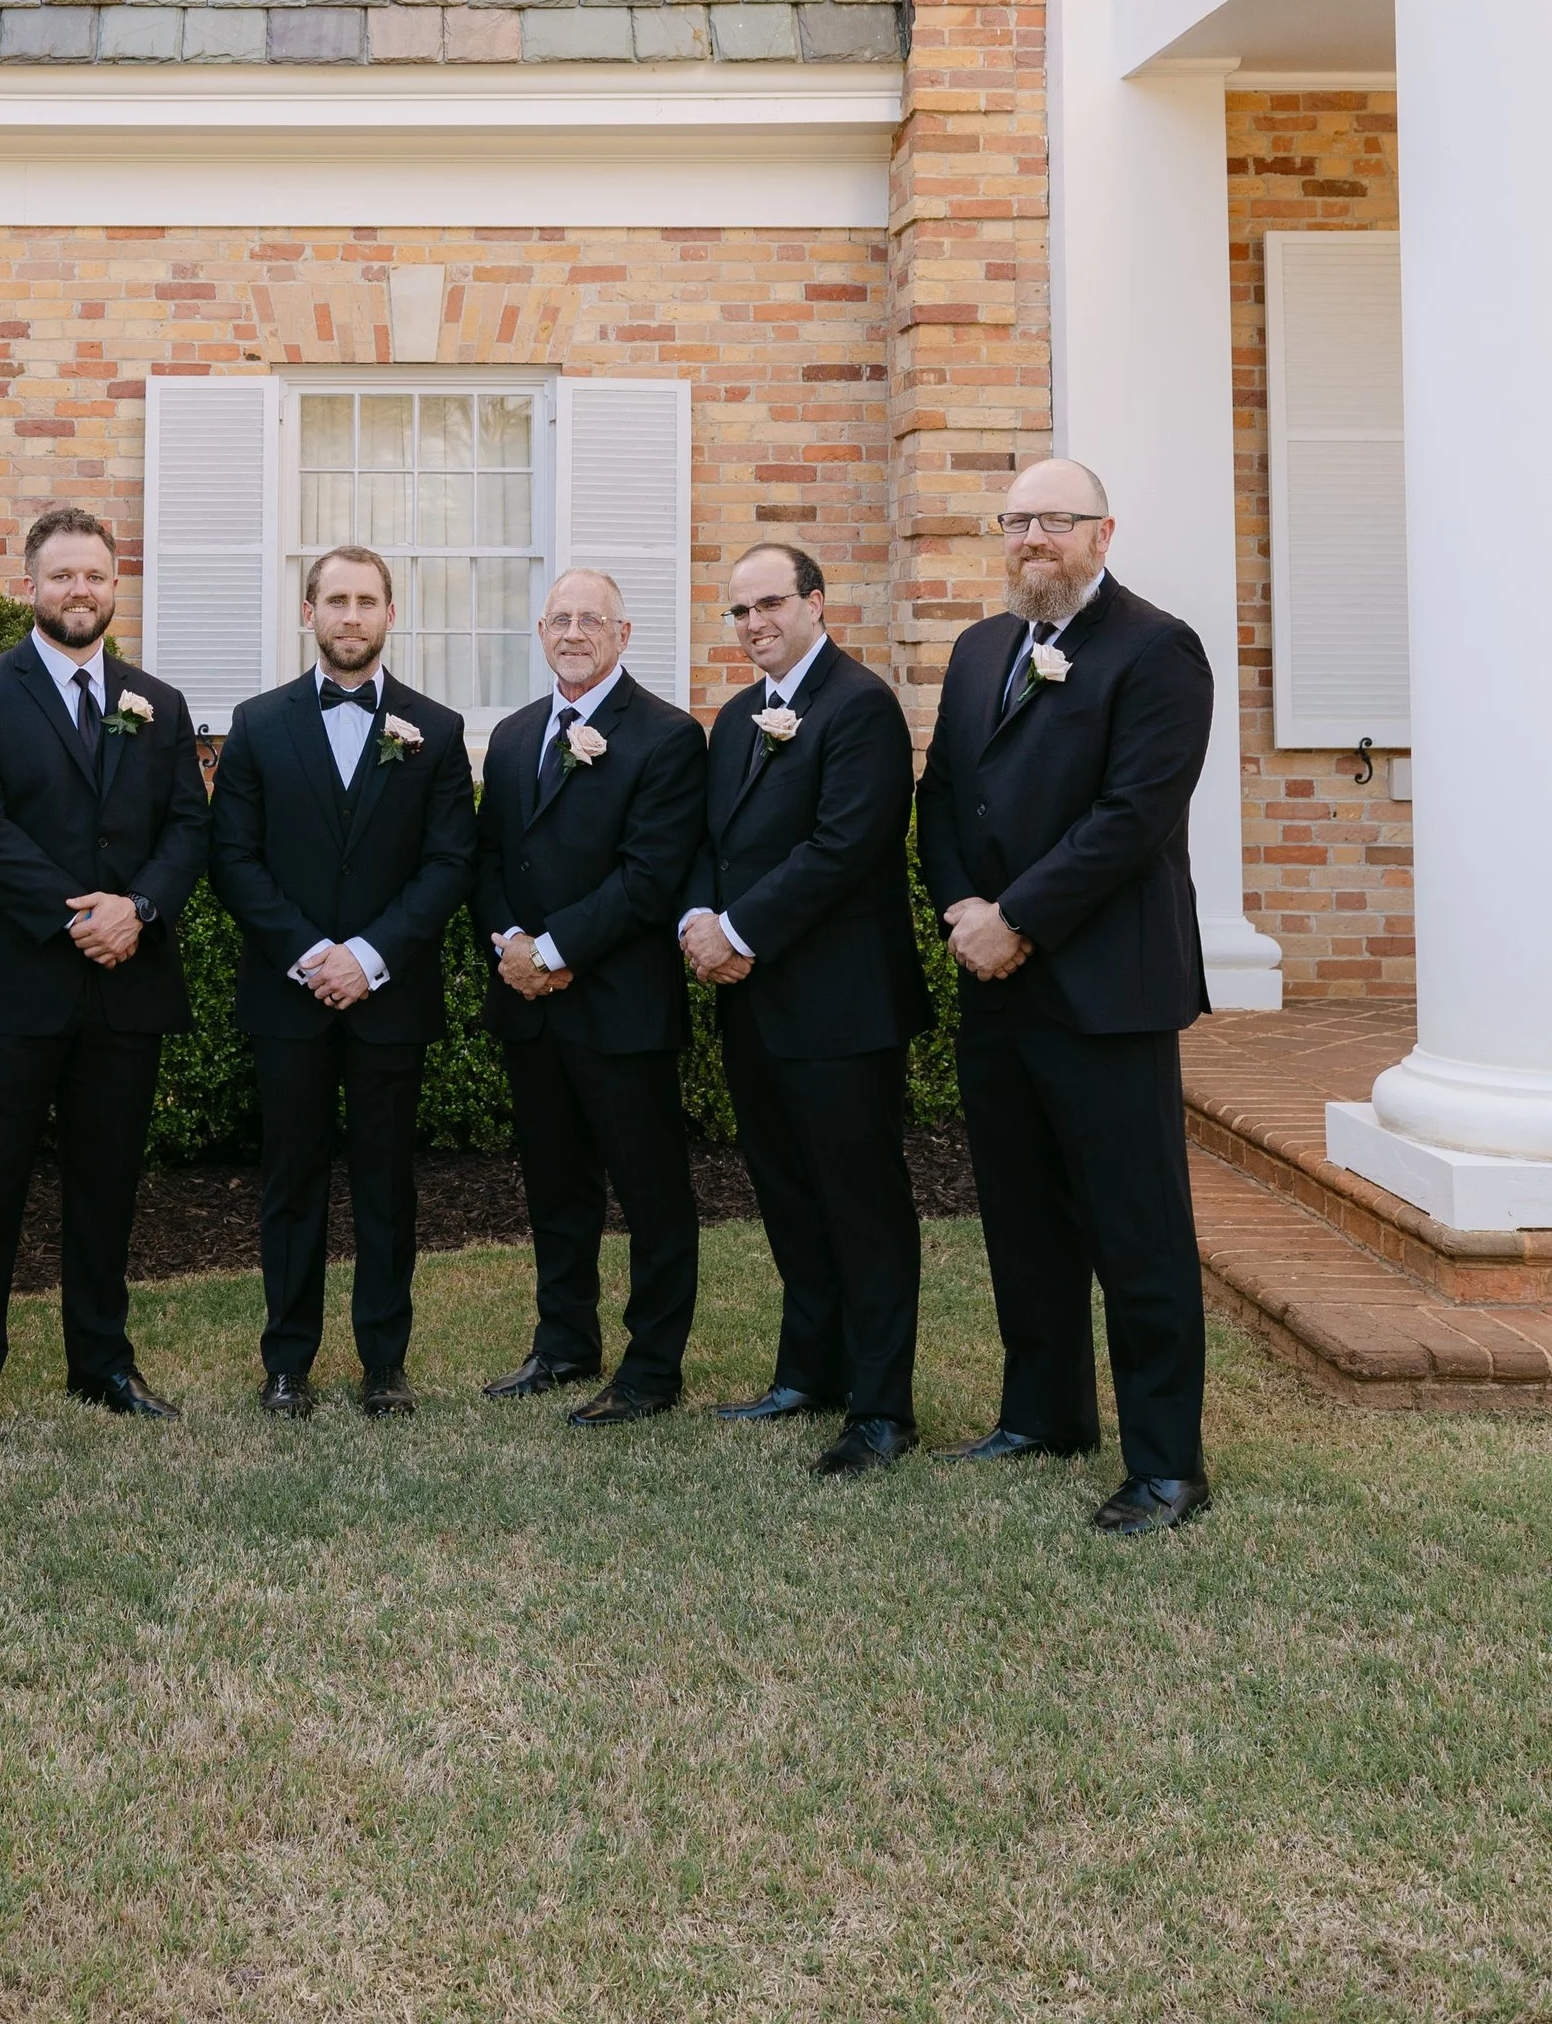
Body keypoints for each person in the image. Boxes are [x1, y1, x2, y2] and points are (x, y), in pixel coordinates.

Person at [915, 456, 1217, 1536]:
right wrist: (963, 906)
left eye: (1055, 519)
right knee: (1022, 1214)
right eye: (1016, 521)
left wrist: (1019, 918)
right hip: (996, 985)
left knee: (1136, 1228)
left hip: (1106, 987)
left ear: (1102, 532)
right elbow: (943, 792)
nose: (1032, 537)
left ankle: (1167, 1464)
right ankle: (1044, 1414)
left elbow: (1133, 816)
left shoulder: (1157, 648)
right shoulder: (978, 648)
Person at [0, 506, 211, 1457]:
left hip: (127, 984)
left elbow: (189, 827)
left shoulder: (158, 701)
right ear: (30, 586)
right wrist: (79, 914)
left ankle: (103, 1361)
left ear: (114, 584)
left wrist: (140, 908)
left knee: (108, 1187)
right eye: (61, 575)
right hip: (12, 984)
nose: (78, 590)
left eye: (93, 574)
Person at [209, 545, 478, 1417]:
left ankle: (384, 1364)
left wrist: (367, 955)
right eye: (336, 600)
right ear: (308, 612)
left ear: (390, 614)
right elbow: (233, 858)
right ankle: (287, 1362)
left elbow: (449, 862)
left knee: (387, 1185)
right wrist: (309, 953)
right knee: (290, 1183)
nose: (351, 615)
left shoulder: (436, 729)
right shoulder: (256, 723)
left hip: (390, 995)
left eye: (367, 600)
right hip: (287, 996)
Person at [680, 544, 930, 1476]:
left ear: (816, 602)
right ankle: (808, 1372)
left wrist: (738, 929)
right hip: (754, 1004)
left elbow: (844, 848)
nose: (754, 623)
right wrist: (699, 918)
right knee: (787, 1193)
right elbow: (711, 842)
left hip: (841, 1008)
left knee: (862, 1205)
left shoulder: (861, 706)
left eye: (771, 603)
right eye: (740, 610)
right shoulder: (736, 717)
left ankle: (882, 1408)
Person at [472, 568, 707, 1425]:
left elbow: (649, 876)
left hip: (620, 1008)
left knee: (652, 1196)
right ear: (541, 631)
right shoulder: (513, 735)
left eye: (592, 619)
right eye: (560, 619)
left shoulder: (667, 736)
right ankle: (565, 1340)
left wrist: (553, 950)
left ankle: (653, 1367)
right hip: (532, 1009)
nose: (574, 632)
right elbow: (488, 858)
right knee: (556, 1188)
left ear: (623, 633)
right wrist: (511, 943)